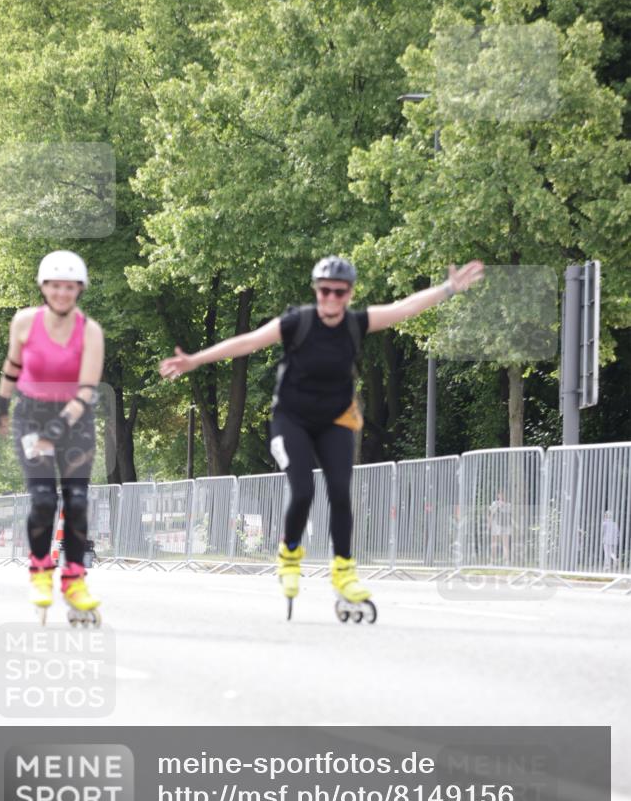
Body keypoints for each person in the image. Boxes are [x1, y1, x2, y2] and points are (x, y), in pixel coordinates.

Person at [160, 256, 484, 607]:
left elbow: (404, 308)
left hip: (336, 421)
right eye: (325, 290)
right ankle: (289, 554)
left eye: (339, 292)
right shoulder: (296, 323)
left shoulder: (356, 324)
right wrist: (195, 360)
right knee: (303, 490)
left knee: (341, 493)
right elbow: (248, 342)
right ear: (316, 291)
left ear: (349, 294)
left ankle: (343, 572)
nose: (331, 298)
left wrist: (449, 288)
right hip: (291, 420)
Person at [0, 251, 104, 618]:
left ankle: (75, 578)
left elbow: (87, 388)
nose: (61, 293)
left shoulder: (90, 331)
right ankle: (40, 567)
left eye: (69, 287)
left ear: (79, 290)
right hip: (31, 416)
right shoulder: (24, 322)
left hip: (76, 420)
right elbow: (12, 366)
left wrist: (61, 426)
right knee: (43, 499)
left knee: (76, 501)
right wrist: (1, 404)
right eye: (55, 286)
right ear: (43, 287)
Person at [488, 489, 512, 563]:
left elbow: (509, 514)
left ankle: (506, 560)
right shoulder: (494, 503)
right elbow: (491, 514)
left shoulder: (508, 504)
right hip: (496, 525)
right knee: (494, 543)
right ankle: (492, 560)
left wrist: (503, 505)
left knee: (505, 543)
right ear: (498, 495)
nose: (501, 496)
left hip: (505, 525)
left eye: (503, 494)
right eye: (500, 494)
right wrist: (489, 524)